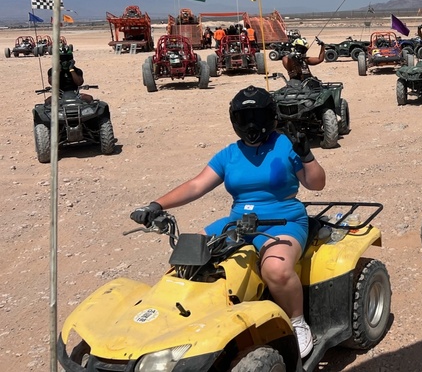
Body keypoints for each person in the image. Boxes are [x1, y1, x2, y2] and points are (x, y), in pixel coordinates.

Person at [129, 86, 326, 358]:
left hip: (283, 220)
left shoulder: (285, 144)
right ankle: (182, 324)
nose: (251, 125)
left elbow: (316, 184)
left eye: (257, 116)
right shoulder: (230, 154)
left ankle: (297, 321)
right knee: (187, 258)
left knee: (276, 270)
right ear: (235, 121)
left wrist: (306, 154)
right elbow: (197, 185)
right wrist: (157, 205)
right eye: (245, 118)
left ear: (270, 117)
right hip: (238, 223)